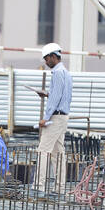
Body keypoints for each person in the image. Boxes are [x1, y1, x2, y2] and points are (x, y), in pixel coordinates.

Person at [34, 42, 71, 193]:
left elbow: (56, 98)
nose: (46, 61)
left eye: (47, 58)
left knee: (43, 150)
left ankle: (38, 186)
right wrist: (47, 94)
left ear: (54, 56)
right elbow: (62, 96)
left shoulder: (57, 73)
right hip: (63, 117)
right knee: (58, 154)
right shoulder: (66, 73)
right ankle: (60, 188)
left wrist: (45, 117)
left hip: (55, 118)